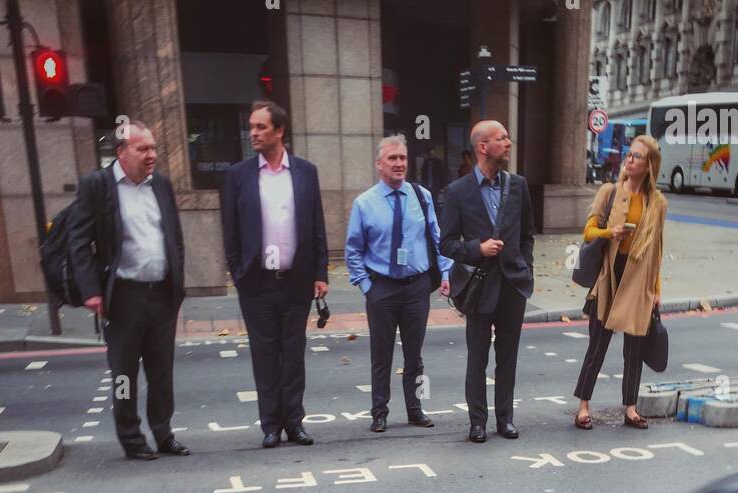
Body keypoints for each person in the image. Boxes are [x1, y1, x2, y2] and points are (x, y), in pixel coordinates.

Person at [68, 122, 188, 460]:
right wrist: (90, 290)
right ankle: (131, 438)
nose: (151, 155)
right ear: (121, 152)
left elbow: (174, 238)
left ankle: (163, 433)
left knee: (162, 370)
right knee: (124, 372)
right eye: (143, 149)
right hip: (122, 296)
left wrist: (177, 282)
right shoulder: (98, 185)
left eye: (153, 148)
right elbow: (78, 241)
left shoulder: (161, 185)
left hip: (161, 294)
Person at [221, 100, 328, 448]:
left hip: (296, 281)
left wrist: (320, 273)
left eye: (260, 127)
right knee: (264, 355)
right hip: (256, 282)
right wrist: (239, 274)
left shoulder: (305, 171)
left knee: (293, 355)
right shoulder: (238, 176)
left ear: (279, 131)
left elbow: (316, 227)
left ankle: (294, 422)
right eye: (251, 127)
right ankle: (270, 425)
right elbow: (230, 231)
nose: (253, 132)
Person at [345, 135, 452, 432]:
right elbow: (353, 251)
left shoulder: (422, 196)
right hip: (381, 289)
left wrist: (445, 273)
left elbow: (437, 237)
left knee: (414, 356)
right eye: (393, 158)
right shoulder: (364, 203)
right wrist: (367, 287)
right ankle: (379, 412)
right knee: (382, 355)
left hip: (416, 288)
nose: (399, 163)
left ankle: (415, 409)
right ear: (380, 164)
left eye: (403, 158)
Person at [439, 120, 535, 442]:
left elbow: (527, 236)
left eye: (508, 137)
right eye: (501, 138)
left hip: (512, 286)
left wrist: (526, 269)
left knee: (508, 357)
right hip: (479, 287)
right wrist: (476, 249)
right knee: (477, 358)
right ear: (483, 147)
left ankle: (504, 419)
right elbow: (447, 243)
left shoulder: (519, 185)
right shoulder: (457, 192)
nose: (508, 142)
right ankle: (477, 422)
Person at [573, 134, 666, 431]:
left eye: (637, 156)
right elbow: (588, 231)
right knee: (597, 345)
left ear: (649, 165)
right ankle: (583, 406)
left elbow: (657, 250)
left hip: (639, 280)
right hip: (609, 276)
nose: (630, 159)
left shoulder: (657, 203)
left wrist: (657, 290)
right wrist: (608, 233)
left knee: (634, 350)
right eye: (629, 154)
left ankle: (631, 407)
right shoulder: (609, 191)